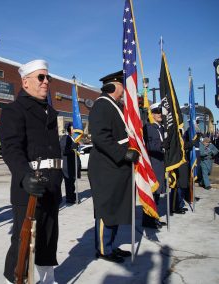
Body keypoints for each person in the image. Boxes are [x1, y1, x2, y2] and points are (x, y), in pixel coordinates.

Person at [0, 59, 63, 283]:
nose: (46, 81)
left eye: (48, 77)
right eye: (41, 77)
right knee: (23, 239)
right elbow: (11, 148)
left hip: (52, 184)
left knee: (48, 235)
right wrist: (25, 175)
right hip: (29, 185)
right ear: (25, 82)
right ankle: (14, 278)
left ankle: (47, 278)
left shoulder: (50, 111)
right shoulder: (13, 110)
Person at [88, 70, 139, 263]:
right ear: (114, 87)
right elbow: (100, 137)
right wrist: (123, 154)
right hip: (106, 167)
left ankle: (110, 245)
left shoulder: (114, 106)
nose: (125, 90)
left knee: (115, 208)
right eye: (122, 86)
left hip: (116, 167)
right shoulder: (102, 105)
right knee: (106, 209)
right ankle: (103, 249)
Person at [142, 103, 167, 228]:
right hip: (153, 164)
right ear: (151, 114)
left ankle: (154, 218)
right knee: (151, 194)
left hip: (160, 164)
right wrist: (163, 146)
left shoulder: (160, 127)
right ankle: (148, 220)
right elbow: (149, 146)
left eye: (160, 112)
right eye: (156, 112)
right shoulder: (149, 128)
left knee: (157, 195)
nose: (159, 114)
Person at [59, 122, 80, 204]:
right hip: (67, 165)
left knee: (71, 182)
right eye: (73, 128)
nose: (74, 130)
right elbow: (64, 151)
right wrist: (73, 147)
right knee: (69, 183)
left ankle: (72, 196)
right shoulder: (65, 138)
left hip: (71, 165)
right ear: (68, 129)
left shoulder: (71, 138)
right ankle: (69, 198)